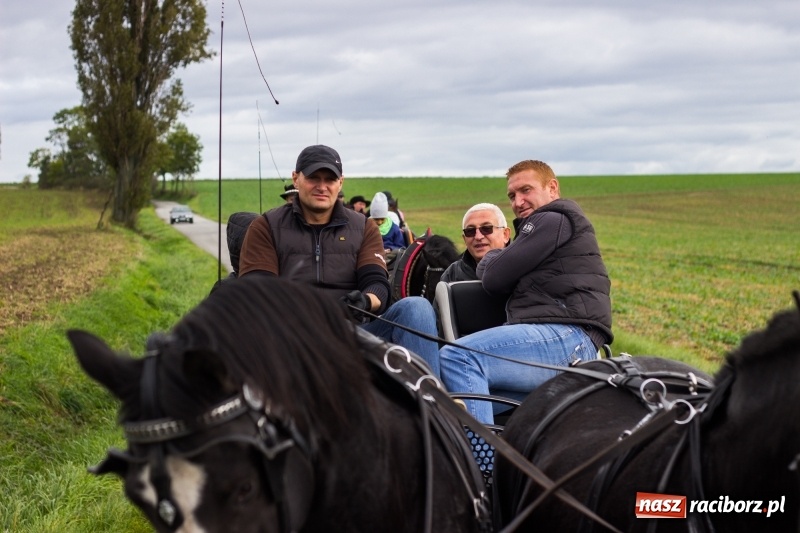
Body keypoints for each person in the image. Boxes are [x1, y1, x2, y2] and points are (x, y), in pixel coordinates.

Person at [238, 145, 441, 377]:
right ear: (296, 178)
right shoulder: (266, 226)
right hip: (289, 333)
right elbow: (257, 291)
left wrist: (364, 301)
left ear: (340, 183)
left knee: (417, 307)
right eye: (313, 177)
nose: (322, 186)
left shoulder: (363, 227)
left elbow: (377, 284)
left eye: (330, 179)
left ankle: (431, 400)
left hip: (354, 331)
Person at [439, 160, 613, 425]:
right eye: (512, 195)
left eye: (526, 191)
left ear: (552, 188)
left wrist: (493, 256)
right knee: (458, 399)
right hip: (573, 339)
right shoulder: (555, 224)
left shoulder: (552, 218)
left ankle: (480, 463)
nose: (518, 202)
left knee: (457, 356)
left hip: (566, 336)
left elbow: (495, 278)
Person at [440, 203, 511, 283]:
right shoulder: (452, 274)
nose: (478, 237)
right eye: (470, 231)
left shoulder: (521, 266)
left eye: (486, 228)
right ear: (464, 239)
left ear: (505, 234)